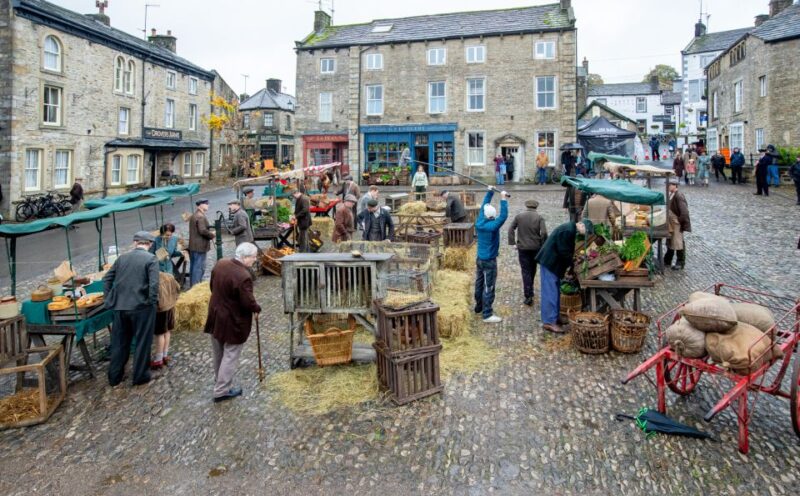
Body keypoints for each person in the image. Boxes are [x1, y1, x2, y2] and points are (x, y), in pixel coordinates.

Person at [204, 242, 262, 403]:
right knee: (230, 353)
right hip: (232, 320)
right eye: (253, 257)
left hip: (215, 314)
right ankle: (222, 390)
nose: (255, 260)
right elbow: (247, 302)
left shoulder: (221, 264)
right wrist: (257, 308)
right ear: (244, 257)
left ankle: (220, 382)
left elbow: (212, 287)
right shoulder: (243, 276)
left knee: (218, 352)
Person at [104, 231, 160, 387]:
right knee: (142, 341)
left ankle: (114, 377)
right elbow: (154, 284)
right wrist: (151, 301)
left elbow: (107, 278)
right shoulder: (151, 259)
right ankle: (140, 376)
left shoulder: (122, 258)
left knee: (119, 342)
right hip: (142, 307)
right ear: (149, 244)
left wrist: (109, 299)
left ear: (135, 243)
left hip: (120, 307)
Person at [536, 219, 593, 334]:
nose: (585, 234)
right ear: (582, 225)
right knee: (550, 292)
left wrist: (573, 261)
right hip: (549, 262)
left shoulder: (570, 229)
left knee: (555, 291)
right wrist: (572, 263)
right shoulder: (568, 230)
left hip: (553, 263)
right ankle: (549, 322)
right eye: (586, 231)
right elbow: (564, 251)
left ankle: (555, 317)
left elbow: (566, 250)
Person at [474, 188, 509, 323]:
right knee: (489, 286)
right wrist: (503, 199)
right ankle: (487, 314)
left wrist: (489, 193)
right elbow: (503, 216)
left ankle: (479, 307)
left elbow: (483, 206)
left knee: (479, 283)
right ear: (492, 216)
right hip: (489, 260)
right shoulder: (492, 226)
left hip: (479, 259)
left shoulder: (479, 222)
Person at [508, 199, 547, 306]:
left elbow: (511, 228)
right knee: (533, 269)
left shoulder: (519, 216)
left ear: (526, 206)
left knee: (525, 271)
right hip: (535, 248)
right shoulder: (539, 217)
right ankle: (530, 288)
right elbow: (543, 233)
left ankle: (528, 294)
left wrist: (512, 243)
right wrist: (543, 245)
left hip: (523, 248)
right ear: (536, 207)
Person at [151, 270, 180, 370]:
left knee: (160, 334)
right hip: (171, 307)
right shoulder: (169, 276)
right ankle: (165, 355)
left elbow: (154, 297)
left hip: (161, 310)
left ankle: (158, 359)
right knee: (167, 331)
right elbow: (178, 287)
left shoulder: (154, 280)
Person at [664, 178, 691, 270]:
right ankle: (667, 260)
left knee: (678, 242)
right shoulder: (671, 194)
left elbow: (684, 212)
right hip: (671, 221)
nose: (667, 186)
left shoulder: (679, 196)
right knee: (670, 241)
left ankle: (680, 262)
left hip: (676, 223)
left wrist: (679, 221)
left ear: (674, 185)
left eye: (669, 185)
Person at [188, 199, 215, 287]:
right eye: (206, 204)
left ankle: (193, 285)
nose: (208, 205)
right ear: (200, 205)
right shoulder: (200, 216)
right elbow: (202, 231)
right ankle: (196, 286)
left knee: (194, 266)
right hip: (199, 246)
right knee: (198, 268)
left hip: (194, 245)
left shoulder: (195, 215)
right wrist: (212, 234)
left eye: (207, 204)